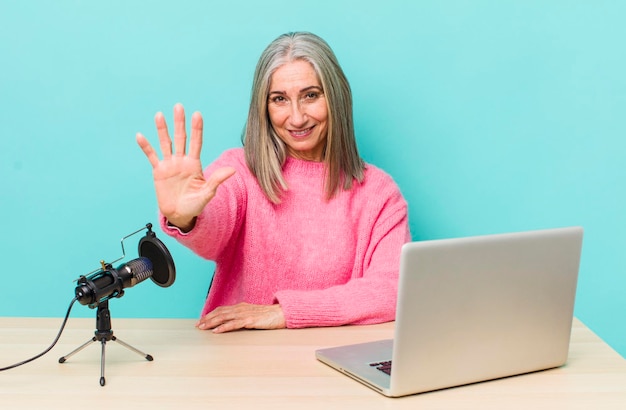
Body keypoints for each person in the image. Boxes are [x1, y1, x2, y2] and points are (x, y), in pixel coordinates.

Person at [136, 31, 411, 333]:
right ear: (263, 108)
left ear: (336, 97)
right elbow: (215, 224)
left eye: (311, 95)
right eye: (279, 99)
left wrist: (282, 313)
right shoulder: (238, 170)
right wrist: (185, 218)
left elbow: (393, 291)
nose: (296, 118)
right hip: (242, 361)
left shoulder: (378, 193)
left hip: (335, 364)